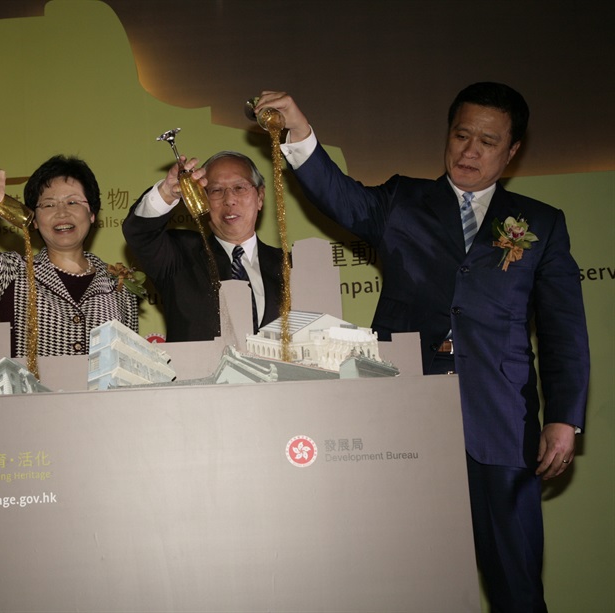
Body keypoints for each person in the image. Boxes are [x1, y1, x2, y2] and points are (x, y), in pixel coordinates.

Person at [257, 83, 589, 611]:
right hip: (403, 416)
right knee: (406, 579)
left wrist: (565, 418)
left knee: (516, 582)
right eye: (461, 136)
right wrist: (297, 129)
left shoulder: (541, 224)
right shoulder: (402, 201)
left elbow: (563, 330)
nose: (470, 151)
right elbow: (338, 194)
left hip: (500, 422)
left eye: (487, 141)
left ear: (512, 150)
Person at [0, 155, 139, 356]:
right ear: (34, 220)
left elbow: (132, 361)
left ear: (91, 214)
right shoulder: (13, 273)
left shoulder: (119, 283)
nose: (61, 213)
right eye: (48, 204)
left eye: (72, 202)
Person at [123, 151, 285, 341]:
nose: (229, 200)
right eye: (216, 190)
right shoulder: (179, 256)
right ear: (202, 198)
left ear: (260, 197)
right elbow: (140, 232)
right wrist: (166, 193)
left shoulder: (290, 266)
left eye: (239, 187)